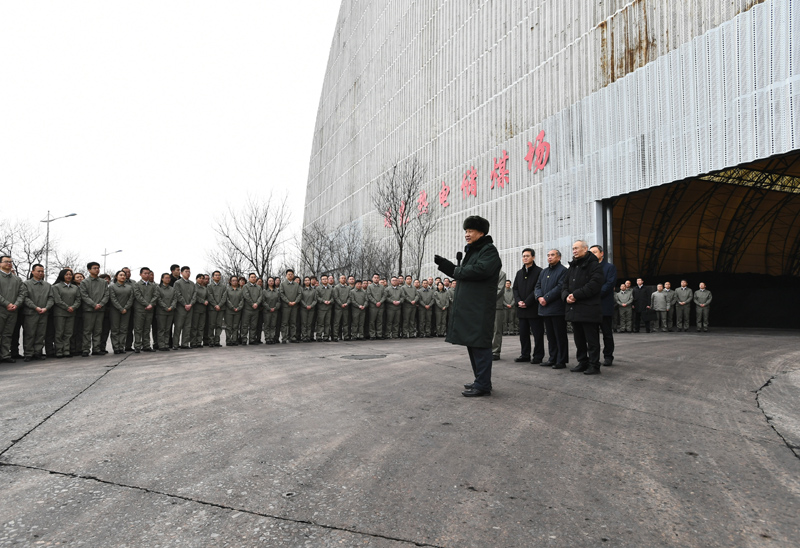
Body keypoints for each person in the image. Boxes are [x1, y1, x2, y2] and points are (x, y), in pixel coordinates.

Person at [435, 215, 502, 397]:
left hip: (479, 308)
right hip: (471, 307)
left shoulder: (489, 251)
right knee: (473, 344)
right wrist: (447, 266)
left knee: (480, 345)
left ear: (481, 233)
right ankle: (480, 380)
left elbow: (481, 270)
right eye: (465, 231)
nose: (467, 234)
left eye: (470, 231)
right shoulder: (473, 251)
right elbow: (464, 273)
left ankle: (483, 385)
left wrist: (455, 270)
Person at [562, 240, 604, 375]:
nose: (574, 251)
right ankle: (582, 362)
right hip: (574, 309)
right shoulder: (572, 267)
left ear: (585, 249)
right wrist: (566, 296)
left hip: (589, 309)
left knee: (591, 340)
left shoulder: (594, 265)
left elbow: (594, 285)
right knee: (578, 339)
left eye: (576, 248)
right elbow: (564, 285)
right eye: (573, 248)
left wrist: (576, 295)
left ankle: (594, 365)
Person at [535, 249, 569, 369]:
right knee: (550, 336)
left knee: (560, 336)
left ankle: (561, 360)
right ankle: (552, 358)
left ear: (559, 257)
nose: (549, 257)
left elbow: (560, 287)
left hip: (557, 309)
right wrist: (539, 297)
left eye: (552, 255)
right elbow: (537, 286)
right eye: (548, 255)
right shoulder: (544, 271)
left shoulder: (563, 271)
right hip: (545, 308)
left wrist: (546, 298)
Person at [512, 248, 544, 364]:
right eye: (523, 256)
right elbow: (515, 289)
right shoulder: (519, 273)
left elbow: (537, 288)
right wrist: (518, 301)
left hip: (533, 308)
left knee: (537, 334)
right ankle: (525, 354)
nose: (525, 258)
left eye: (527, 256)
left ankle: (538, 356)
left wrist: (527, 302)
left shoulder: (539, 272)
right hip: (521, 309)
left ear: (533, 257)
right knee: (523, 334)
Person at [589, 244, 617, 366]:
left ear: (602, 253)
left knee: (607, 333)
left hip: (604, 305)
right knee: (592, 335)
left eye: (595, 252)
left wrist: (595, 294)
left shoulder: (609, 267)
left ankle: (608, 356)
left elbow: (609, 284)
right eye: (590, 253)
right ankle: (593, 358)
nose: (592, 255)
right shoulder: (588, 268)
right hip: (591, 306)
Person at [22, 264, 53, 361]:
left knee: (40, 334)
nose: (40, 273)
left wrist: (46, 308)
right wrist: (35, 307)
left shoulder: (47, 285)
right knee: (29, 334)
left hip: (44, 313)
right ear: (33, 272)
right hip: (30, 313)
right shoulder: (26, 284)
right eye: (38, 271)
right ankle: (28, 353)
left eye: (42, 271)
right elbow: (25, 298)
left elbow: (51, 298)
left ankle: (37, 352)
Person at [80, 262, 109, 356]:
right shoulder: (84, 282)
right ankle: (85, 349)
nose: (97, 270)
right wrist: (93, 304)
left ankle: (96, 348)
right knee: (87, 330)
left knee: (98, 330)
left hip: (100, 310)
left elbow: (106, 295)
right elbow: (84, 295)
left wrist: (101, 304)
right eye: (94, 268)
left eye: (98, 268)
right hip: (89, 310)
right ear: (89, 270)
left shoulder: (103, 282)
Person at [51, 268, 80, 358]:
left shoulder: (75, 287)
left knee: (69, 333)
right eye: (66, 274)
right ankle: (59, 351)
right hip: (60, 313)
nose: (68, 276)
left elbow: (78, 299)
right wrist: (67, 307)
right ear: (62, 275)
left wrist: (73, 307)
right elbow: (57, 300)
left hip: (71, 313)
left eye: (70, 274)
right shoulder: (56, 287)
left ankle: (66, 350)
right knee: (59, 332)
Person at [108, 270, 134, 354]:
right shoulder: (112, 287)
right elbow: (113, 299)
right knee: (115, 329)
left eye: (124, 275)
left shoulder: (129, 287)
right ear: (116, 277)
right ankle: (116, 347)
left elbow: (131, 298)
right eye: (121, 275)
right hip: (115, 310)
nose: (123, 277)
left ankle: (121, 346)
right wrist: (120, 308)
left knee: (124, 329)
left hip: (126, 310)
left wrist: (126, 308)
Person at [132, 267, 158, 353]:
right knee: (138, 328)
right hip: (140, 309)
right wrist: (147, 304)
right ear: (140, 274)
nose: (147, 275)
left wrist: (151, 304)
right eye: (145, 273)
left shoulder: (153, 285)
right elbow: (138, 296)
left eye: (148, 273)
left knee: (147, 328)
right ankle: (137, 346)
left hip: (149, 310)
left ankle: (146, 345)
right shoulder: (137, 284)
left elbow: (156, 295)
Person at [173, 266, 196, 349]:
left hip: (190, 307)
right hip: (181, 308)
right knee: (178, 326)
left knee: (187, 326)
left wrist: (191, 304)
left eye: (189, 271)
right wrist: (185, 304)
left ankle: (185, 344)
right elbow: (177, 294)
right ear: (181, 273)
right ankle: (175, 344)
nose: (188, 273)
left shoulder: (192, 284)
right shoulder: (177, 283)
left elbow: (195, 295)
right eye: (186, 271)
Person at [155, 273, 177, 351]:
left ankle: (166, 344)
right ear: (162, 279)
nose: (168, 279)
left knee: (168, 329)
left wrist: (171, 307)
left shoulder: (172, 289)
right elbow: (158, 299)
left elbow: (175, 299)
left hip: (170, 311)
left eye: (169, 278)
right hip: (161, 312)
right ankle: (161, 345)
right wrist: (165, 307)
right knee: (161, 329)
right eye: (166, 278)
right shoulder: (158, 288)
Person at [279, 269, 301, 343]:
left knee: (293, 323)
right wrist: (288, 302)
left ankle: (293, 337)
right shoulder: (283, 284)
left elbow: (299, 294)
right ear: (286, 275)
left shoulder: (296, 285)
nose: (290, 275)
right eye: (289, 274)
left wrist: (295, 302)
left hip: (294, 306)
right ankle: (284, 338)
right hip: (286, 306)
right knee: (284, 323)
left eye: (291, 274)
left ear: (293, 275)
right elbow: (281, 294)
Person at [491, 270, 508, 360]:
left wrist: (487, 297)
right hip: (483, 305)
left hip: (496, 305)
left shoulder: (501, 274)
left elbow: (500, 290)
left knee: (496, 329)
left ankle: (495, 351)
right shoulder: (484, 271)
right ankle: (485, 350)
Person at [206, 271, 227, 347]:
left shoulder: (224, 286)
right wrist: (215, 305)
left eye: (219, 275)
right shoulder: (209, 286)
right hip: (212, 308)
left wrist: (220, 305)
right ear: (212, 277)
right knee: (211, 325)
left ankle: (217, 341)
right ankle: (211, 341)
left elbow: (224, 297)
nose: (218, 276)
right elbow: (210, 296)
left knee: (219, 325)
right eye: (216, 275)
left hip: (221, 308)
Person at [241, 273, 262, 345]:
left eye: (254, 277)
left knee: (253, 325)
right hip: (247, 309)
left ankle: (252, 339)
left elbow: (260, 296)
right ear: (249, 279)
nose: (253, 278)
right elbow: (246, 296)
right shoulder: (245, 286)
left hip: (256, 309)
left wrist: (257, 303)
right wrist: (252, 304)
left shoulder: (259, 287)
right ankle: (244, 339)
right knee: (245, 325)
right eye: (252, 277)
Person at [262, 277, 281, 344]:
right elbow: (263, 301)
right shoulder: (264, 291)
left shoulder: (277, 291)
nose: (271, 282)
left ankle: (272, 338)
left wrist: (275, 308)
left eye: (272, 281)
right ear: (267, 282)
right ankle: (267, 338)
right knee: (267, 325)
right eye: (269, 281)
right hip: (267, 311)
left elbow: (279, 301)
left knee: (273, 325)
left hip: (275, 311)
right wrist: (268, 308)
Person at [191, 273, 209, 348]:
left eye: (203, 278)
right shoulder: (193, 287)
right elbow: (195, 297)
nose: (201, 280)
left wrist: (207, 300)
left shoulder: (205, 288)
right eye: (200, 278)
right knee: (194, 326)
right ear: (196, 279)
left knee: (201, 326)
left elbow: (208, 296)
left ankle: (199, 341)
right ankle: (193, 342)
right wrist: (202, 301)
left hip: (203, 310)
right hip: (196, 309)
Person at [225, 276, 243, 345]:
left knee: (236, 326)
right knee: (229, 326)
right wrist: (232, 307)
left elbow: (242, 300)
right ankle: (228, 340)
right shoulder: (227, 290)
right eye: (233, 280)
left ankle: (234, 340)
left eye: (236, 280)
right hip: (229, 311)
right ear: (230, 281)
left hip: (238, 311)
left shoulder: (240, 290)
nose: (235, 282)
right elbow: (227, 299)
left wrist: (238, 307)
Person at [366, 273, 385, 339]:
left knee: (380, 321)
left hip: (381, 306)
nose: (376, 279)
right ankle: (372, 334)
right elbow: (369, 295)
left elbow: (384, 295)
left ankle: (379, 334)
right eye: (375, 278)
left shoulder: (382, 287)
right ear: (372, 278)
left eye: (377, 278)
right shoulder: (369, 287)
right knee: (372, 321)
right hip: (373, 306)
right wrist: (375, 302)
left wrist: (380, 302)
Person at [70, 272, 84, 357]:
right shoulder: (72, 287)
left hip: (83, 311)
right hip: (74, 311)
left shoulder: (85, 287)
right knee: (73, 331)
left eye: (81, 277)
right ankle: (72, 348)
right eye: (77, 277)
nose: (80, 278)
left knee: (81, 331)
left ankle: (80, 348)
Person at [333, 274, 351, 341]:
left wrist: (347, 303)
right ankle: (335, 336)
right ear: (339, 279)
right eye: (342, 278)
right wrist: (341, 304)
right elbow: (336, 297)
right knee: (337, 323)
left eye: (344, 278)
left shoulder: (348, 288)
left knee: (345, 323)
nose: (343, 279)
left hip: (346, 308)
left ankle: (346, 336)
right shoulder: (336, 287)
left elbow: (350, 297)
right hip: (338, 308)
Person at [315, 275, 333, 342]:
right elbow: (317, 297)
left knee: (327, 323)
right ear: (321, 280)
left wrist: (330, 301)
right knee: (320, 323)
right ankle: (319, 336)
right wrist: (323, 301)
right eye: (323, 279)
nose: (325, 280)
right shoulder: (318, 288)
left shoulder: (331, 288)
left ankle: (326, 336)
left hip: (329, 308)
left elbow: (333, 297)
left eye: (326, 279)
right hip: (321, 308)